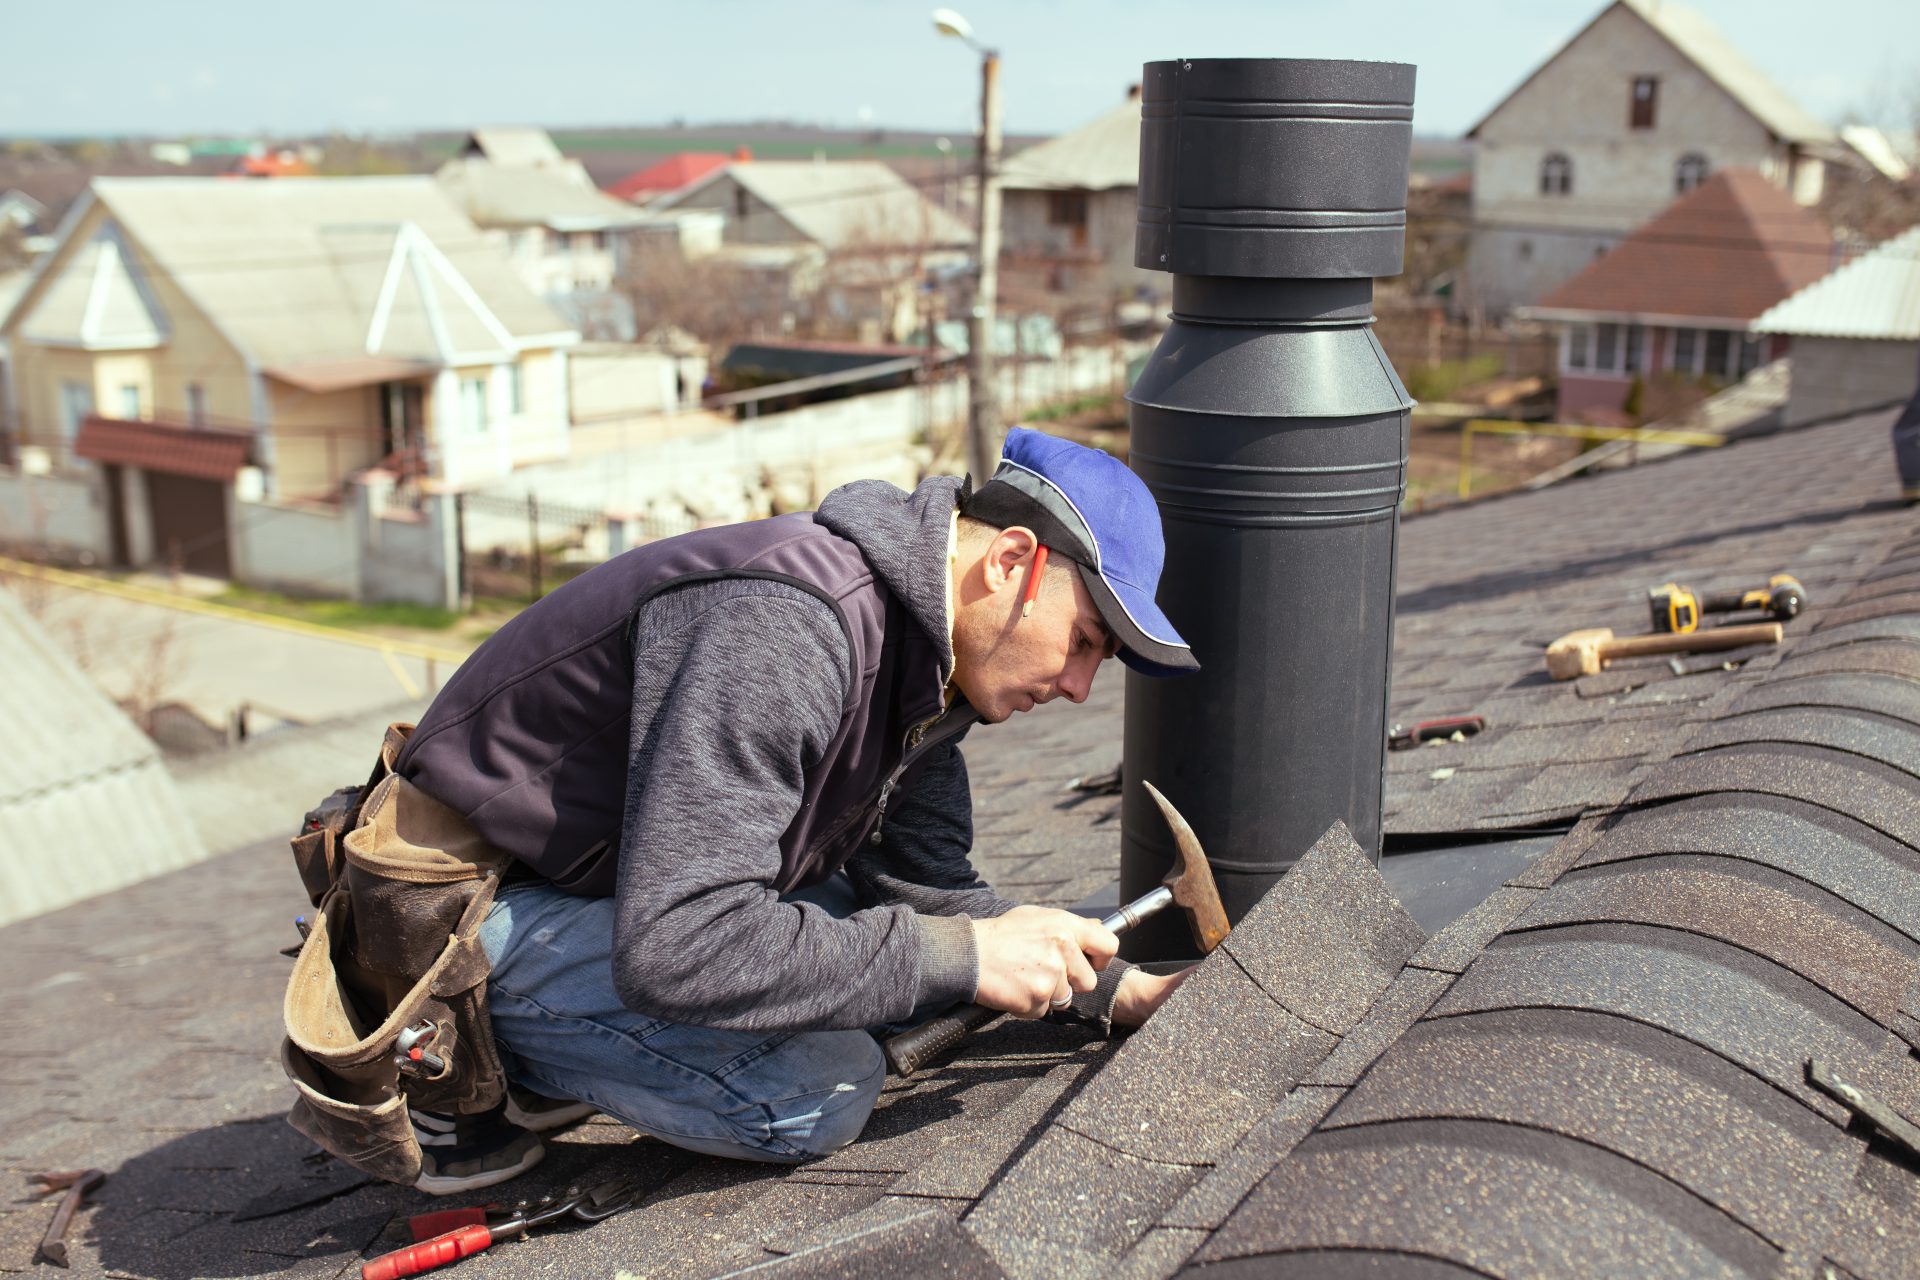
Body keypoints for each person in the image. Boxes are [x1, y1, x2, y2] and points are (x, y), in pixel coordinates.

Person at [395, 428, 1199, 1191]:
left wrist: (1117, 990)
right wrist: (963, 956)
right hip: (465, 916)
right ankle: (467, 1056)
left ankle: (590, 1042)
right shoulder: (787, 628)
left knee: (902, 967)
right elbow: (680, 943)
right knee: (818, 1087)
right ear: (1012, 560)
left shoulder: (926, 665)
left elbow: (923, 894)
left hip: (615, 892)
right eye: (1086, 640)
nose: (1079, 687)